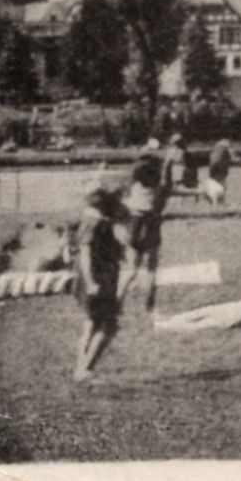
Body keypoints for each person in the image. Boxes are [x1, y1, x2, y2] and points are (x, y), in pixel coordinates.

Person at [73, 180, 127, 379]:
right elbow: (85, 255)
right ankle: (85, 369)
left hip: (101, 276)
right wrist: (91, 282)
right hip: (98, 279)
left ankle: (81, 368)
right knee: (108, 325)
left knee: (91, 323)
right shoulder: (95, 223)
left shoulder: (91, 219)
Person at [118, 138, 168, 313]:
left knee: (131, 268)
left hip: (135, 221)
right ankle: (150, 302)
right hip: (152, 222)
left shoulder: (133, 187)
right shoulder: (159, 188)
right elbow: (162, 203)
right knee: (151, 267)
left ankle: (118, 301)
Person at [204, 138, 232, 208]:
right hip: (219, 172)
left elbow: (214, 163)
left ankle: (219, 202)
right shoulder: (221, 152)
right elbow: (215, 163)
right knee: (218, 188)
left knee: (220, 188)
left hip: (219, 172)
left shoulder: (218, 152)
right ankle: (217, 203)